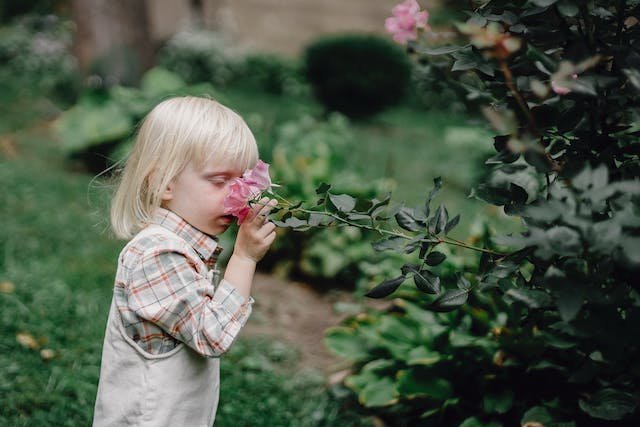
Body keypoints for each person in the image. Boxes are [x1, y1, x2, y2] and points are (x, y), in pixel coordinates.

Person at [93, 96, 277, 426]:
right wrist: (245, 257)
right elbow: (212, 335)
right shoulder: (157, 255)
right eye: (220, 181)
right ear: (163, 183)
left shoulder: (181, 247)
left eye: (243, 182)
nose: (240, 195)